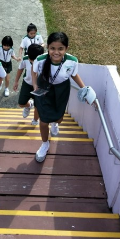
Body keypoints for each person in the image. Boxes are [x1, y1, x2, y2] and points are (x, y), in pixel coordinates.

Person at [31, 32, 92, 163]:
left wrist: (84, 89)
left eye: (60, 49)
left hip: (61, 90)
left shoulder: (72, 61)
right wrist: (34, 85)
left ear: (66, 48)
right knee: (43, 121)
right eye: (52, 48)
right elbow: (34, 70)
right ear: (48, 47)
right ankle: (45, 144)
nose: (56, 52)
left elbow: (74, 75)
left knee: (58, 119)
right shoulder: (40, 59)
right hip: (44, 89)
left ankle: (54, 123)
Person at [14, 44, 44, 126]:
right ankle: (28, 105)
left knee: (37, 106)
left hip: (39, 87)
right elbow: (20, 69)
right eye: (30, 59)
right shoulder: (25, 59)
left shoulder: (44, 61)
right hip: (27, 84)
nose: (32, 61)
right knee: (21, 103)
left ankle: (35, 119)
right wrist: (16, 81)